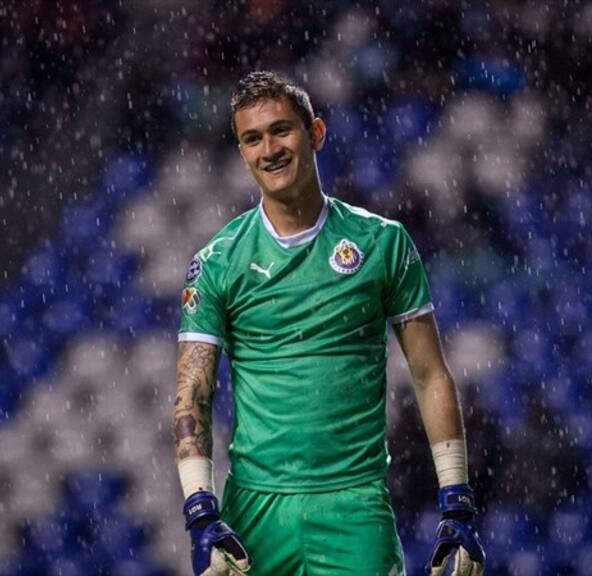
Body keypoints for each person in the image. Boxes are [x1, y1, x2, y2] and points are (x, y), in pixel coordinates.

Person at [171, 70, 485, 576]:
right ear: (241, 153)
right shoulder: (215, 263)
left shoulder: (383, 243)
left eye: (281, 130)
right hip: (255, 516)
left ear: (315, 133)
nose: (268, 149)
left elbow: (430, 375)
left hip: (355, 509)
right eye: (252, 139)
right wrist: (200, 512)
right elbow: (193, 393)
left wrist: (456, 499)